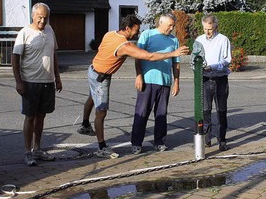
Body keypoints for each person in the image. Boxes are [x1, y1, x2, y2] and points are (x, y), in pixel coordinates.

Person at [77, 14, 189, 158]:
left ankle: (85, 124)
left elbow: (100, 48)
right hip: (101, 77)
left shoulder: (110, 34)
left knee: (92, 98)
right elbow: (149, 57)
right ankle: (102, 147)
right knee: (101, 111)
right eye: (136, 29)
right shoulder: (125, 46)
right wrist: (173, 53)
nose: (138, 32)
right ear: (128, 28)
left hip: (93, 70)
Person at [12, 2, 62, 166]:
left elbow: (53, 54)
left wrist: (57, 77)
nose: (42, 21)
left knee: (41, 117)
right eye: (40, 17)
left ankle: (37, 148)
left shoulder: (50, 30)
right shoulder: (24, 33)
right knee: (30, 117)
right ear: (33, 15)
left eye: (45, 18)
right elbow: (15, 57)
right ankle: (27, 152)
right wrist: (18, 81)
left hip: (47, 81)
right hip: (30, 81)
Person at [130, 13, 181, 154]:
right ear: (161, 22)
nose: (171, 28)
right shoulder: (148, 34)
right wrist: (138, 75)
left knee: (161, 114)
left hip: (165, 81)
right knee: (142, 112)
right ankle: (136, 143)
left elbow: (176, 63)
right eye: (169, 25)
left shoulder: (174, 40)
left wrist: (176, 81)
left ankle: (159, 142)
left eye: (173, 26)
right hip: (148, 80)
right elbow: (137, 56)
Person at [196, 14, 231, 151]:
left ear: (215, 26)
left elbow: (227, 60)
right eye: (205, 29)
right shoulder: (199, 40)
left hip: (220, 79)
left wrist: (214, 66)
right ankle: (207, 138)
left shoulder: (223, 40)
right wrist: (197, 67)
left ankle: (222, 140)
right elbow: (195, 58)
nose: (207, 32)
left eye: (209, 29)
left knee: (221, 111)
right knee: (205, 110)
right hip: (205, 79)